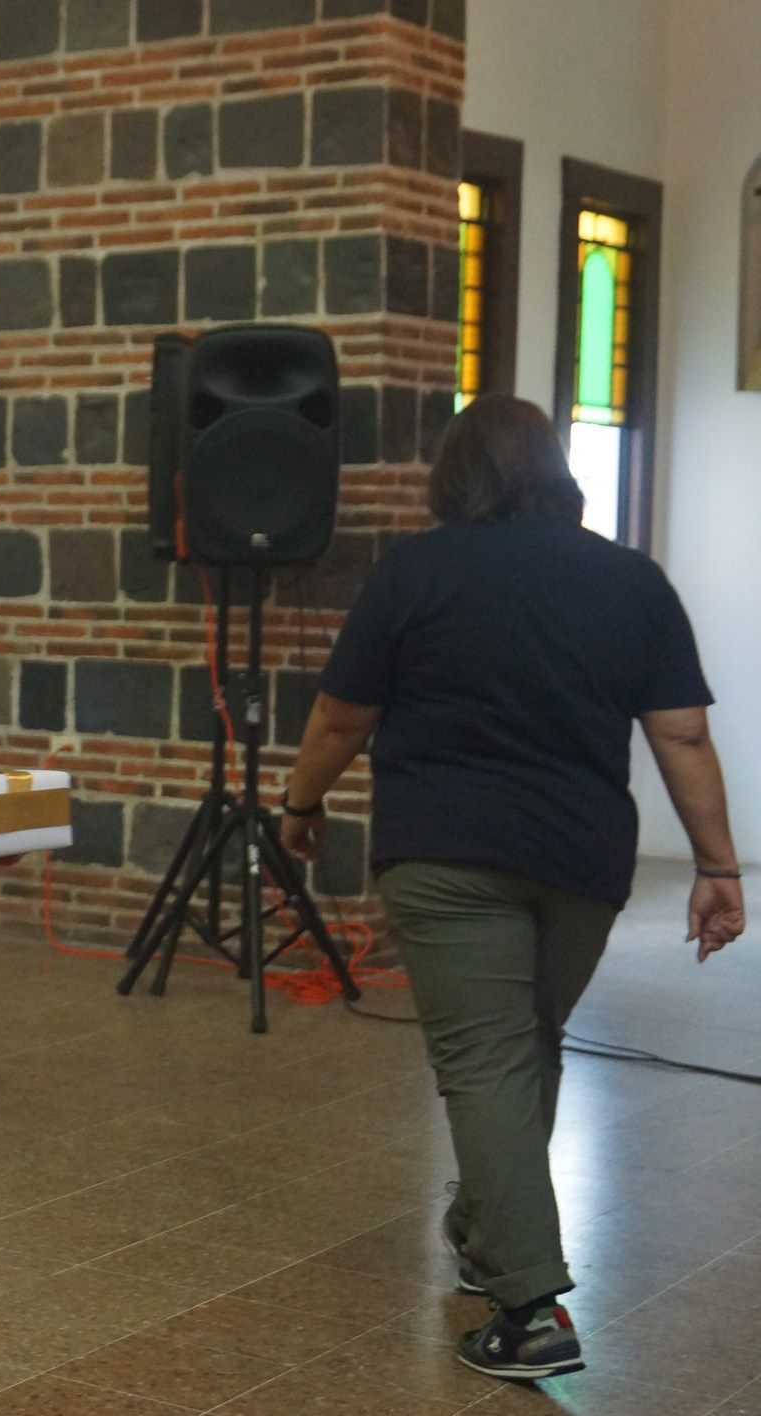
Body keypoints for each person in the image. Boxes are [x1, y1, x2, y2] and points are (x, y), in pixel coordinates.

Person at [279, 395, 743, 1383]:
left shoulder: (414, 572)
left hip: (445, 854)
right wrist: (716, 867)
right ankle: (487, 1232)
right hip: (581, 860)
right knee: (524, 1046)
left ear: (453, 477)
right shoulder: (630, 580)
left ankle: (529, 1310)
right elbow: (682, 733)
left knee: (489, 1063)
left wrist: (298, 805)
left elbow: (340, 717)